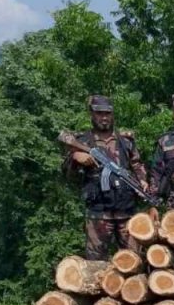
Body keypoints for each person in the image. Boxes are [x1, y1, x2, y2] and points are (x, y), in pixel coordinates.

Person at [62, 95, 149, 259]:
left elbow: (137, 164)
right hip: (98, 213)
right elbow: (68, 176)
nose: (104, 117)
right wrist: (75, 158)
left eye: (107, 113)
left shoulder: (125, 141)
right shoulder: (83, 141)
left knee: (134, 261)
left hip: (126, 211)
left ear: (112, 115)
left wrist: (143, 181)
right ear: (92, 114)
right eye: (99, 113)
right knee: (95, 263)